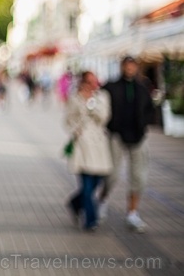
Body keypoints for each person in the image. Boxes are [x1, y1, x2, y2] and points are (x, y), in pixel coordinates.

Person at [98, 56, 155, 233]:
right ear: (122, 67)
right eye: (127, 66)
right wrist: (110, 126)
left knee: (138, 176)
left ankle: (132, 211)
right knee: (112, 173)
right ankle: (102, 201)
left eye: (132, 66)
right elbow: (102, 107)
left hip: (138, 136)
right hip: (116, 135)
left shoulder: (142, 87)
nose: (130, 69)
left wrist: (144, 124)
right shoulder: (111, 86)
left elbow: (150, 109)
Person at [65, 71, 113, 231]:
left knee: (98, 180)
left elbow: (104, 117)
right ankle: (91, 220)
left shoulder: (102, 96)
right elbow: (67, 119)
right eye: (90, 81)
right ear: (83, 82)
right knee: (86, 183)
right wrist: (75, 130)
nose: (93, 84)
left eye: (95, 81)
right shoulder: (74, 97)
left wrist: (92, 103)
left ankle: (74, 203)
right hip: (82, 144)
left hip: (98, 144)